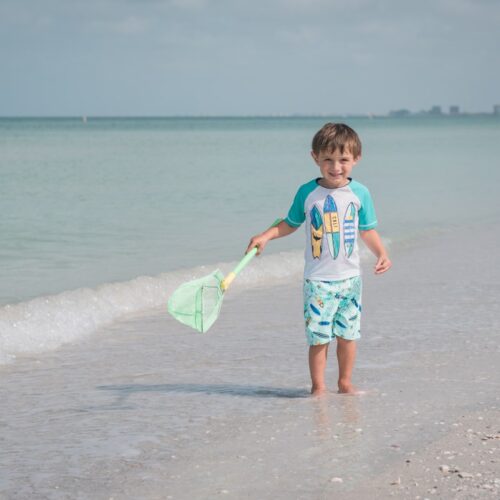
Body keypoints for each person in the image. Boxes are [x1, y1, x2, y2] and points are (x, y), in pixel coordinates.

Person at [246, 123, 391, 396]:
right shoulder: (307, 193)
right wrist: (265, 236)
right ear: (315, 158)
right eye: (328, 160)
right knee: (319, 338)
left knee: (349, 336)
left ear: (356, 159)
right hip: (318, 282)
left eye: (343, 160)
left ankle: (345, 382)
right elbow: (289, 223)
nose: (336, 167)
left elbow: (367, 229)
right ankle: (318, 387)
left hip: (350, 280)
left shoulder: (360, 193)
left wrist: (382, 253)